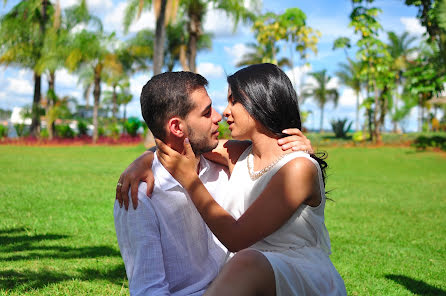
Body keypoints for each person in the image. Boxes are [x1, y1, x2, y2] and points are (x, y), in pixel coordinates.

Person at [154, 63, 347, 295]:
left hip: (297, 275)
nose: (225, 112)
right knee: (245, 263)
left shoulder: (298, 168)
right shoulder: (238, 155)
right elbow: (184, 145)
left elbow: (236, 239)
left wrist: (190, 180)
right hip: (245, 274)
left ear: (261, 100)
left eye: (234, 100)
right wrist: (143, 163)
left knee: (247, 261)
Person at [113, 70, 312, 295]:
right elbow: (149, 290)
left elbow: (236, 239)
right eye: (207, 112)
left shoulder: (226, 164)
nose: (220, 115)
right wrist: (147, 157)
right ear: (177, 128)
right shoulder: (141, 196)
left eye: (232, 102)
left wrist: (180, 174)